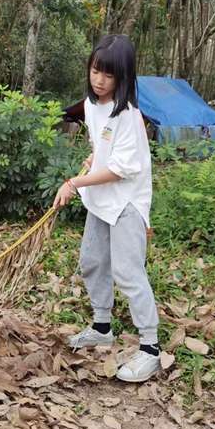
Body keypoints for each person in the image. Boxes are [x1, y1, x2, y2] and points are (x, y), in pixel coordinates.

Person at [52, 34, 160, 383]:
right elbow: (102, 149)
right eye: (96, 71)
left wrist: (74, 182)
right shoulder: (91, 104)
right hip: (101, 200)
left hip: (126, 202)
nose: (99, 80)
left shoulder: (129, 116)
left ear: (123, 78)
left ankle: (150, 349)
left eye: (108, 75)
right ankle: (102, 327)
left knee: (128, 272)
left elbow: (120, 169)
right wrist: (92, 158)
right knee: (92, 261)